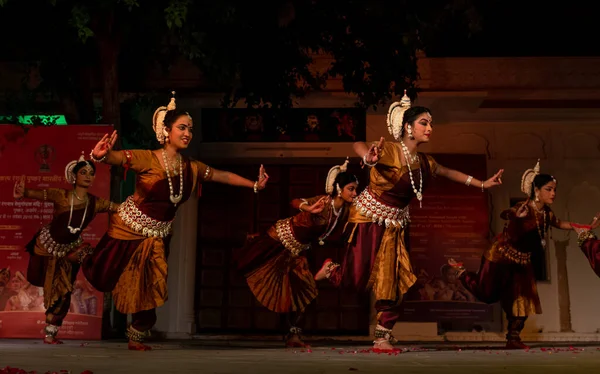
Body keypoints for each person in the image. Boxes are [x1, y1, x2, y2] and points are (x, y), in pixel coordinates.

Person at [314, 90, 504, 353]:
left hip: (397, 225)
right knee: (355, 280)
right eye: (424, 123)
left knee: (395, 278)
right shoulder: (389, 151)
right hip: (369, 220)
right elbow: (359, 144)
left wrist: (482, 183)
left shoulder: (424, 162)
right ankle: (332, 270)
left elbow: (449, 172)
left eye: (431, 123)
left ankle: (383, 337)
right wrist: (367, 156)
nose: (430, 128)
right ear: (408, 128)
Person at [82, 92, 269, 351]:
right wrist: (100, 155)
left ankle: (136, 333)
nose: (188, 133)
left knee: (151, 283)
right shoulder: (147, 158)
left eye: (190, 129)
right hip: (128, 227)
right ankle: (81, 257)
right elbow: (117, 158)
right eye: (182, 127)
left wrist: (254, 186)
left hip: (158, 235)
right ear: (165, 131)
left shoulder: (191, 167)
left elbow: (220, 175)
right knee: (103, 274)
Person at [448, 160, 588, 349]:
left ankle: (513, 338)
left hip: (521, 262)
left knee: (522, 300)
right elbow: (508, 216)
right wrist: (516, 216)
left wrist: (580, 227)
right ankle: (462, 272)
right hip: (499, 256)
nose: (553, 193)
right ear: (536, 191)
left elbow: (560, 223)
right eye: (549, 189)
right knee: (487, 294)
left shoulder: (546, 213)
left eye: (554, 189)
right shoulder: (523, 208)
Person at [235, 159, 358, 348]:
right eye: (351, 189)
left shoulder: (344, 211)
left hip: (299, 250)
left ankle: (294, 335)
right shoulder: (324, 202)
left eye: (355, 189)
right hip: (279, 240)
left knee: (303, 292)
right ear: (339, 188)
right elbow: (295, 201)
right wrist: (307, 207)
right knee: (259, 270)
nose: (354, 193)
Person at [13, 154, 118, 344]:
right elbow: (37, 194)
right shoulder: (61, 195)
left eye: (91, 173)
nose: (88, 176)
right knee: (49, 287)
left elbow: (116, 208)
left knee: (64, 290)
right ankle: (49, 333)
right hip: (47, 247)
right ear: (74, 176)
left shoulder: (95, 203)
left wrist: (136, 207)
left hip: (70, 249)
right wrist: (23, 192)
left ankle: (51, 332)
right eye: (83, 172)